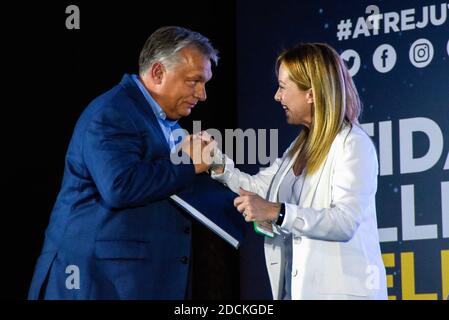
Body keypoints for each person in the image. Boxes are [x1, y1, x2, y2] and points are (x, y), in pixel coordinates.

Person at [28, 26, 219, 299]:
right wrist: (187, 164)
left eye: (205, 83)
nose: (202, 94)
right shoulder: (112, 112)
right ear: (157, 73)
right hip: (95, 283)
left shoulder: (163, 123)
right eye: (193, 81)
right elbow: (120, 185)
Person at [208, 43, 388, 299]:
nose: (276, 96)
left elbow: (345, 222)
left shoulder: (352, 143)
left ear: (311, 93)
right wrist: (215, 162)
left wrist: (277, 212)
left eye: (283, 87)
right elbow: (258, 189)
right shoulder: (299, 145)